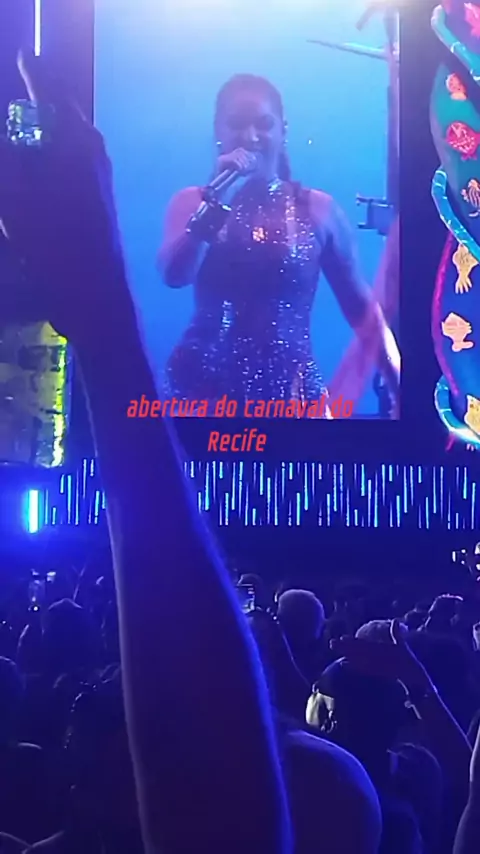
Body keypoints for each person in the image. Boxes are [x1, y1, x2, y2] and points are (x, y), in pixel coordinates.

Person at [158, 74, 400, 414]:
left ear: (282, 131)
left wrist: (399, 384)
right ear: (218, 131)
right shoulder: (192, 203)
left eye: (263, 124)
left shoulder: (317, 210)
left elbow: (361, 308)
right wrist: (218, 200)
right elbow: (175, 274)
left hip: (293, 396)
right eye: (237, 124)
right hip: (204, 395)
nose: (250, 136)